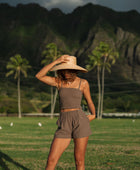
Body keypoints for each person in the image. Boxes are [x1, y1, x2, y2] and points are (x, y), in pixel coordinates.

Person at [35, 55, 96, 170]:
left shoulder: (83, 83)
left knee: (79, 161)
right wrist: (56, 61)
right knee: (51, 160)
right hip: (64, 122)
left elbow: (89, 101)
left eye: (68, 70)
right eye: (63, 69)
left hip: (80, 120)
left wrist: (94, 114)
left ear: (74, 70)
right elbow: (39, 76)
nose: (66, 73)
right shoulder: (58, 82)